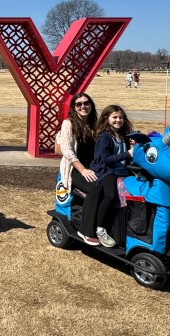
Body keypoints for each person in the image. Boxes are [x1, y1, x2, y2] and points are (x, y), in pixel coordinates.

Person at [58, 93, 100, 246]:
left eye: (86, 103)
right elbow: (67, 151)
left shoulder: (96, 123)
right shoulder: (68, 124)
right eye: (79, 104)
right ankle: (86, 230)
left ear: (91, 105)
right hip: (77, 169)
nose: (83, 106)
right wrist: (83, 170)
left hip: (96, 167)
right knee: (95, 189)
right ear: (74, 108)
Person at [89, 105, 134, 247]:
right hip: (107, 171)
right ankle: (100, 229)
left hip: (122, 169)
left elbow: (127, 156)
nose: (118, 120)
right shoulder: (105, 137)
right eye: (114, 117)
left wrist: (134, 145)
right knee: (110, 196)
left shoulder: (123, 136)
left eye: (120, 117)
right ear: (106, 118)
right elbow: (106, 159)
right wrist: (127, 154)